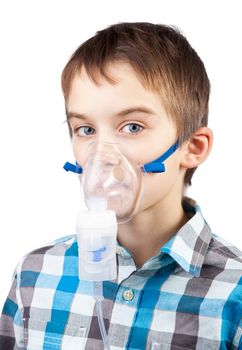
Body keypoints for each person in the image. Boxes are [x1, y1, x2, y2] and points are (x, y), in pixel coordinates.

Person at [0, 22, 241, 350]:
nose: (103, 155)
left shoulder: (233, 293)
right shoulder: (35, 275)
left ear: (192, 147)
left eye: (132, 126)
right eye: (85, 129)